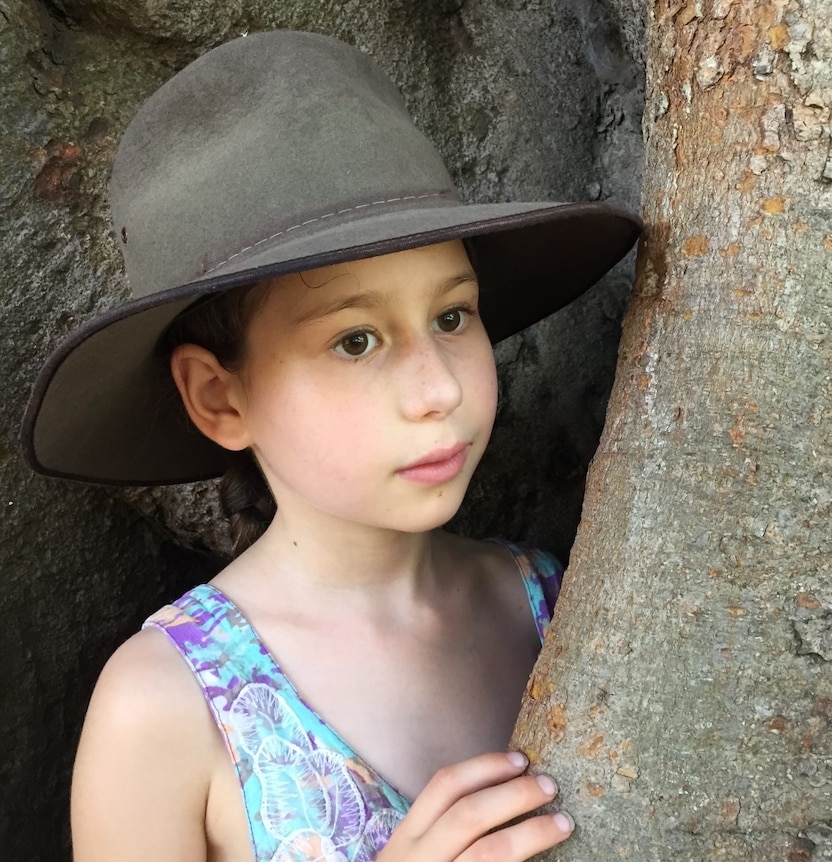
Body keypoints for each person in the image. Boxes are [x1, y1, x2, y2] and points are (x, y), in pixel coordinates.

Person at [21, 30, 640, 862]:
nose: (441, 391)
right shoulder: (164, 712)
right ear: (219, 396)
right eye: (356, 341)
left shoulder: (560, 607)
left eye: (452, 316)